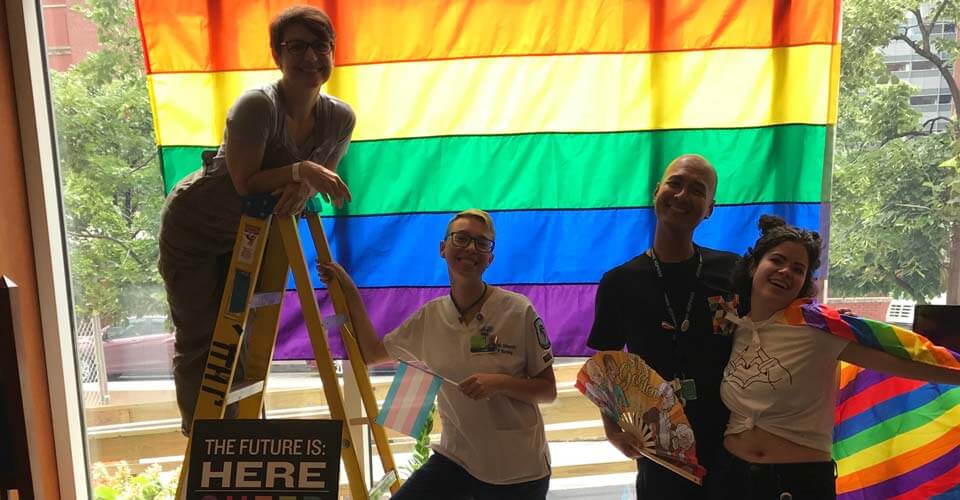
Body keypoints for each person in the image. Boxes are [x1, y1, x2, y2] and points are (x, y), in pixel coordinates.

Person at [158, 5, 355, 434]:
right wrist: (302, 171)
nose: (310, 57)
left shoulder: (339, 117)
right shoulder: (256, 107)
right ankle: (207, 446)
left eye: (320, 46)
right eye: (296, 47)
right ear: (276, 55)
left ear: (333, 52)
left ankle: (244, 440)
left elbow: (309, 189)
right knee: (201, 339)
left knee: (244, 338)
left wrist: (302, 181)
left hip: (254, 231)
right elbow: (247, 182)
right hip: (197, 225)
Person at [319, 209, 557, 500]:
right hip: (458, 459)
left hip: (517, 469)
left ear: (490, 258)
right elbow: (372, 353)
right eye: (462, 238)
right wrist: (348, 288)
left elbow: (548, 390)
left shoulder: (518, 311)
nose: (471, 248)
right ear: (443, 248)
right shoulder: (430, 318)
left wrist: (498, 383)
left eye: (482, 243)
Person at [718, 215, 960, 499]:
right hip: (731, 477)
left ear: (805, 282)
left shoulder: (820, 327)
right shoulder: (736, 328)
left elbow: (909, 356)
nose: (785, 272)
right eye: (777, 260)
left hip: (797, 484)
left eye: (798, 269)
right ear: (753, 265)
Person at [587, 154, 739, 499]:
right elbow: (606, 368)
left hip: (732, 443)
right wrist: (612, 430)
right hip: (662, 451)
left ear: (710, 209)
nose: (683, 195)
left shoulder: (732, 271)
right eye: (675, 183)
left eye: (697, 190)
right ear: (657, 191)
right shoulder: (618, 282)